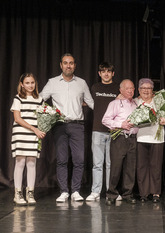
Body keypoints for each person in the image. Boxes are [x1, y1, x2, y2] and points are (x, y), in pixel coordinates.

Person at [40, 53, 94, 202]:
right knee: (62, 160)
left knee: (79, 160)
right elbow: (40, 99)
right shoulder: (52, 82)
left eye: (71, 63)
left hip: (77, 125)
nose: (68, 65)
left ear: (75, 65)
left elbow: (91, 102)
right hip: (59, 126)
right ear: (61, 65)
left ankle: (75, 191)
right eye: (65, 63)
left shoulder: (81, 83)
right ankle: (64, 191)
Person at [86, 62, 120, 202]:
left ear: (113, 73)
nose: (106, 74)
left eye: (108, 71)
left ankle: (110, 192)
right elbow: (87, 102)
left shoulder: (118, 88)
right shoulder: (95, 87)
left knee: (111, 164)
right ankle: (95, 191)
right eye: (103, 71)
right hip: (97, 130)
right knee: (97, 164)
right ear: (99, 73)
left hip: (113, 131)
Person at [11, 73, 46, 205]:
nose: (30, 85)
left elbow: (43, 117)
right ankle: (18, 193)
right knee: (20, 163)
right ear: (22, 84)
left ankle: (30, 192)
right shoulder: (18, 98)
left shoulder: (40, 99)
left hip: (34, 134)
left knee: (31, 163)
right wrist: (35, 129)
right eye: (27, 83)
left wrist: (42, 128)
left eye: (32, 82)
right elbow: (17, 118)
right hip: (21, 133)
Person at [102, 79, 138, 205]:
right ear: (121, 90)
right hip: (119, 138)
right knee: (116, 168)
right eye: (127, 88)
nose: (130, 91)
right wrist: (120, 124)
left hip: (133, 139)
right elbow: (105, 120)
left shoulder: (136, 104)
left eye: (132, 88)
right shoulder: (115, 103)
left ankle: (128, 194)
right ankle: (111, 194)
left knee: (130, 168)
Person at [135, 78, 165, 203]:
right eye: (143, 88)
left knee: (156, 167)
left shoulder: (159, 101)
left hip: (157, 139)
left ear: (152, 90)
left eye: (149, 88)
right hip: (140, 138)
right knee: (142, 167)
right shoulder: (135, 102)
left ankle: (155, 193)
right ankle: (143, 193)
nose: (146, 91)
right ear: (139, 90)